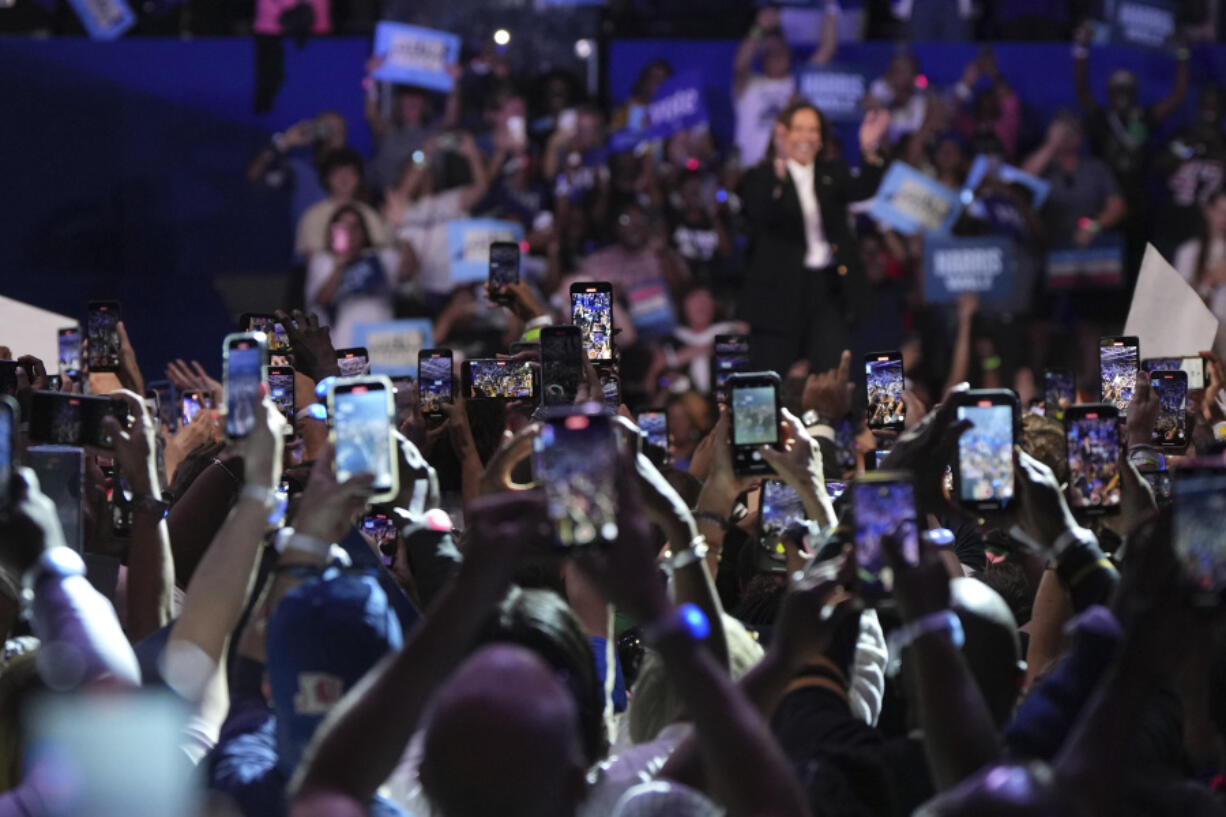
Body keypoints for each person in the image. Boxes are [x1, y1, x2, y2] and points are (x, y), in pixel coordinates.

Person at [738, 100, 889, 375]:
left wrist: (869, 148)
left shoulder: (832, 174)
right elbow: (761, 214)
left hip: (828, 288)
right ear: (781, 133)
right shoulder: (759, 177)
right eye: (799, 129)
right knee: (776, 378)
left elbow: (863, 189)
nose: (807, 137)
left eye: (814, 130)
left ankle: (849, 417)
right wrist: (780, 175)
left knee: (835, 369)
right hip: (779, 293)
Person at [304, 205, 410, 348]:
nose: (350, 232)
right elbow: (321, 300)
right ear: (333, 231)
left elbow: (408, 272)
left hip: (383, 345)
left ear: (364, 231)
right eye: (344, 227)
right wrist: (340, 266)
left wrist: (402, 231)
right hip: (342, 344)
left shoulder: (382, 256)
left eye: (355, 226)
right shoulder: (323, 261)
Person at [294, 148, 390, 260]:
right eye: (338, 172)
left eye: (350, 172)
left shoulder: (368, 213)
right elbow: (313, 260)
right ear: (326, 178)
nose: (344, 177)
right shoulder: (313, 215)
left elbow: (381, 250)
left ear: (359, 178)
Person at [1174, 190, 1226, 357]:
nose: (1224, 218)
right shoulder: (1190, 251)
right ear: (1208, 212)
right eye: (1220, 211)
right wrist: (1210, 282)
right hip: (1204, 329)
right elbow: (1182, 303)